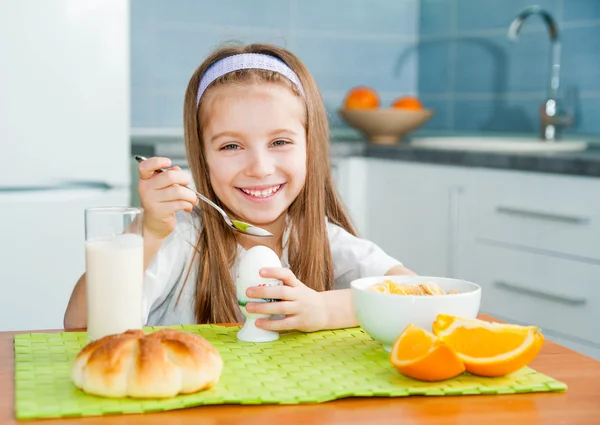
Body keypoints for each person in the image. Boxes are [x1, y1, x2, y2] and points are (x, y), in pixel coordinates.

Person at [64, 43, 416, 333]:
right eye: (231, 146)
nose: (260, 168)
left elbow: (416, 293)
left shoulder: (321, 239)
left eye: (280, 142)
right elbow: (80, 326)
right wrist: (149, 234)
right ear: (202, 156)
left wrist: (325, 309)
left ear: (311, 146)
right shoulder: (179, 239)